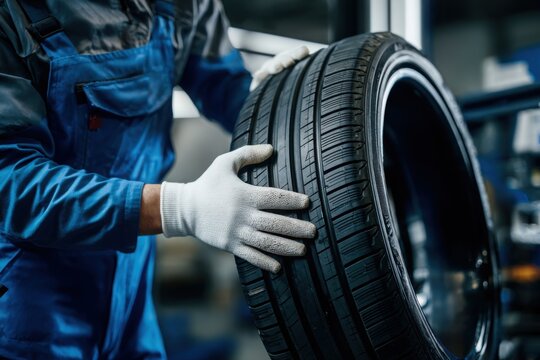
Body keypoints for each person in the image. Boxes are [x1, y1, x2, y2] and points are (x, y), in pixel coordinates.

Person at [0, 0, 314, 358]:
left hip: (131, 290)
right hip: (30, 299)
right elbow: (10, 180)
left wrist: (269, 100)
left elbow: (227, 90)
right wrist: (178, 208)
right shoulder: (11, 15)